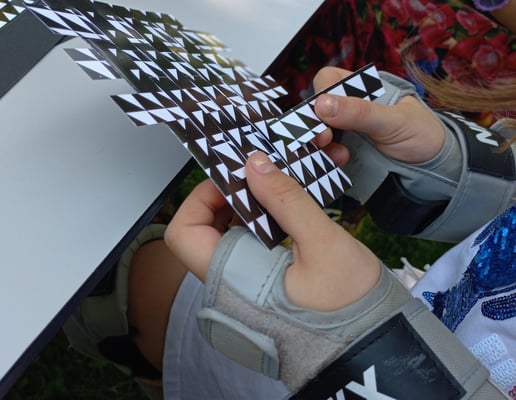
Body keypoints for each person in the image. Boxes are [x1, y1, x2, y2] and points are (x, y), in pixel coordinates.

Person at [62, 62, 516, 399]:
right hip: (434, 313)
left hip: (375, 369)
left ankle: (143, 350)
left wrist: (362, 345)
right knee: (157, 277)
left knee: (135, 283)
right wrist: (462, 175)